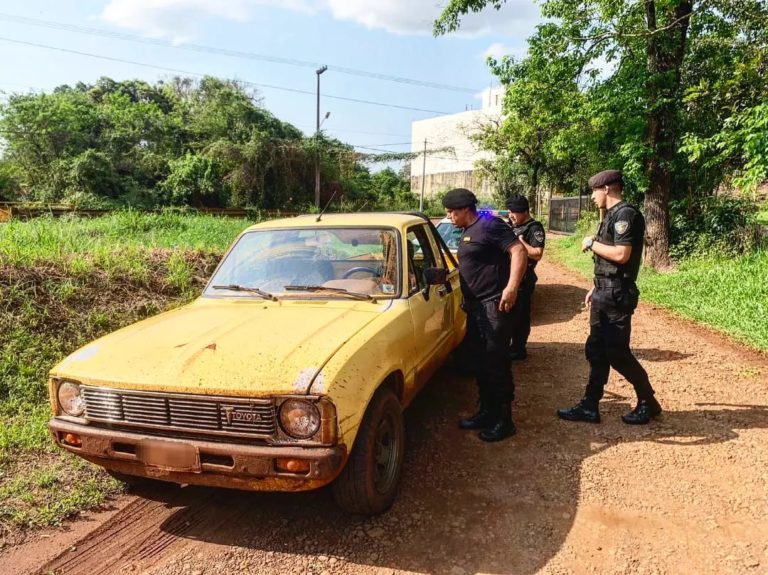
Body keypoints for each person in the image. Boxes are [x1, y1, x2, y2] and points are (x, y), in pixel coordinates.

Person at [557, 170, 662, 425]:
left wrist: (591, 243)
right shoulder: (611, 216)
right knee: (596, 350)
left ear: (606, 189)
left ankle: (648, 401)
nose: (592, 197)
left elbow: (621, 255)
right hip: (604, 290)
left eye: (594, 191)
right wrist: (596, 285)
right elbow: (609, 261)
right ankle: (590, 405)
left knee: (617, 353)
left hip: (617, 294)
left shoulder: (625, 214)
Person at [443, 188, 528, 441]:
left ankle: (504, 420)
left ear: (464, 210)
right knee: (479, 361)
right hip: (476, 307)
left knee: (496, 362)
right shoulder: (468, 231)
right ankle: (486, 411)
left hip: (495, 306)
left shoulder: (490, 224)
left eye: (451, 212)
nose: (449, 217)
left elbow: (519, 251)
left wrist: (511, 287)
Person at [505, 195, 546, 360]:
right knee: (508, 314)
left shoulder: (534, 228)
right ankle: (509, 346)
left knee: (520, 315)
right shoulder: (513, 225)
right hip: (509, 276)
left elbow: (537, 254)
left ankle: (518, 349)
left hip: (524, 278)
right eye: (509, 212)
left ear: (524, 212)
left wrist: (521, 242)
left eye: (513, 212)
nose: (511, 216)